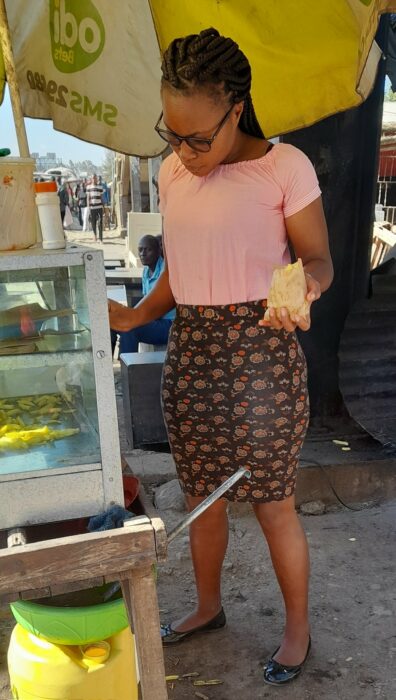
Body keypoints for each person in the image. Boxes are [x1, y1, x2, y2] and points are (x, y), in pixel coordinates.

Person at [109, 27, 333, 686]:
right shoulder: (172, 171)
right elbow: (179, 267)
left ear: (238, 109)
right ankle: (208, 606)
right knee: (203, 499)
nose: (183, 150)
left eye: (198, 137)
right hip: (193, 358)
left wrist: (307, 283)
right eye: (172, 134)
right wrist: (139, 314)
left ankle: (297, 630)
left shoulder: (282, 167)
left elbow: (317, 257)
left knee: (272, 503)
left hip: (262, 356)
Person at [111, 235, 175, 355]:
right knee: (112, 322)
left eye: (148, 249)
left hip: (169, 324)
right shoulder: (146, 271)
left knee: (129, 328)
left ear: (158, 251)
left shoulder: (165, 271)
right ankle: (106, 367)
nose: (143, 254)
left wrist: (134, 318)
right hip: (154, 320)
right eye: (140, 250)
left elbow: (156, 309)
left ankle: (127, 368)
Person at [87, 174, 104, 242]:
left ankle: (100, 238)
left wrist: (103, 207)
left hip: (99, 207)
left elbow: (101, 197)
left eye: (95, 178)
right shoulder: (88, 187)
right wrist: (88, 207)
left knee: (100, 222)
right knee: (93, 223)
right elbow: (88, 198)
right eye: (93, 178)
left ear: (97, 179)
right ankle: (95, 236)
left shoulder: (100, 187)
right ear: (91, 179)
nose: (94, 179)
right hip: (92, 208)